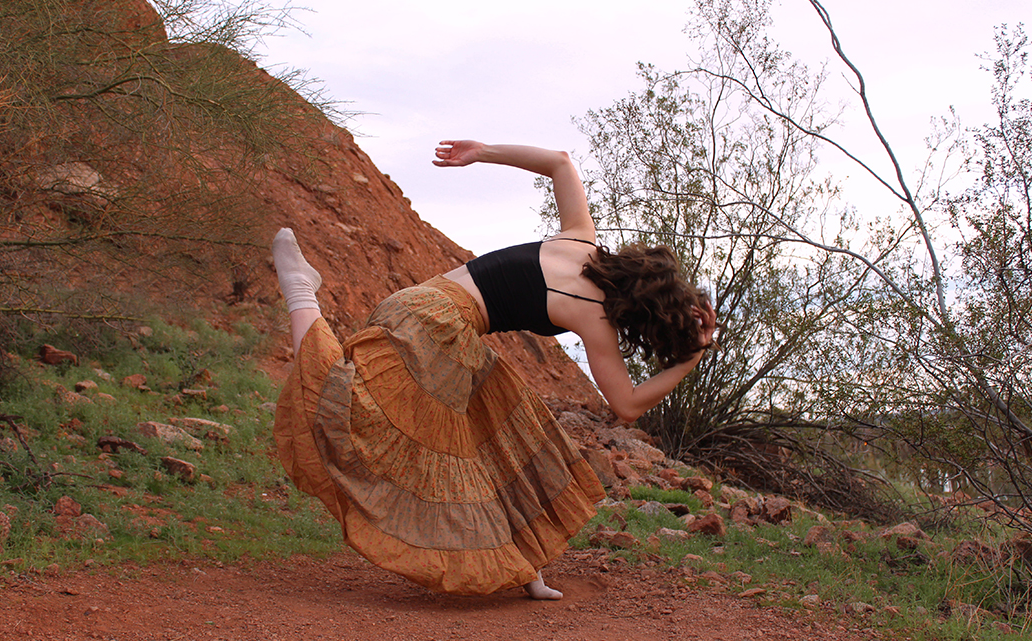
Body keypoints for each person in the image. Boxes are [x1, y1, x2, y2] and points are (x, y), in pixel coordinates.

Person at [271, 140, 718, 600]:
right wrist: (692, 358)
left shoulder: (580, 239)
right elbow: (626, 405)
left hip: (421, 304)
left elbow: (560, 162)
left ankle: (525, 569)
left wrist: (481, 151)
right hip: (440, 327)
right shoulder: (596, 317)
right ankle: (302, 292)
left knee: (500, 434)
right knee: (355, 409)